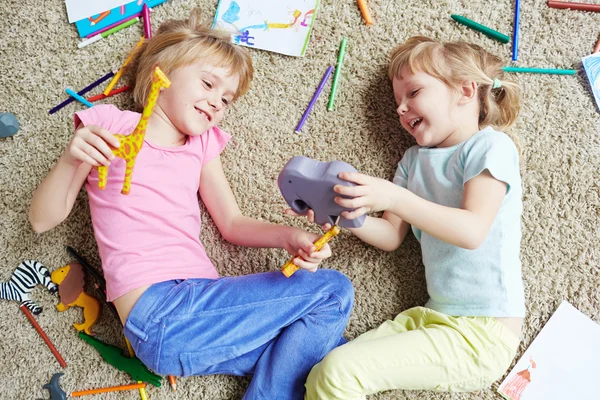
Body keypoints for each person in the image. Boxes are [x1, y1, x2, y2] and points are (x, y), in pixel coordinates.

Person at [29, 9, 353, 400]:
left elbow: (231, 222)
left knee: (324, 354)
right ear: (159, 74)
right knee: (333, 292)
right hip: (160, 309)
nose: (217, 102)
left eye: (226, 98)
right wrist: (70, 160)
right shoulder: (110, 125)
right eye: (208, 83)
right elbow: (42, 221)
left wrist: (288, 235)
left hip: (196, 315)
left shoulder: (202, 144)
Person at [302, 36, 525, 398]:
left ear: (466, 91)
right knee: (323, 371)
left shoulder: (490, 145)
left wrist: (395, 196)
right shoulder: (412, 162)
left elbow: (472, 231)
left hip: (483, 332)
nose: (401, 109)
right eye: (397, 102)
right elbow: (391, 236)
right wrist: (343, 215)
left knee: (337, 374)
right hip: (432, 317)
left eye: (414, 92)